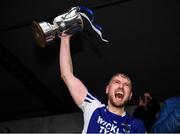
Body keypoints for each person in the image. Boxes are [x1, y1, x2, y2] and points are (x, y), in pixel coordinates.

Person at [59, 34, 146, 133]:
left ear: (130, 95)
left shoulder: (136, 125)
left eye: (126, 85)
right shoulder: (93, 107)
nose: (121, 86)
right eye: (117, 82)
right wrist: (65, 38)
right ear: (107, 89)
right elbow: (67, 75)